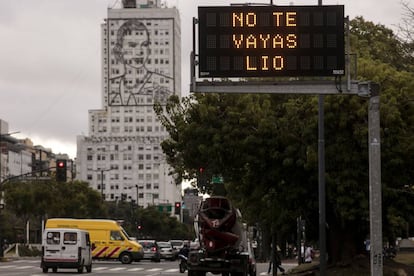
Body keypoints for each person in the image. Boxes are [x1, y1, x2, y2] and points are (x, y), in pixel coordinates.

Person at [109, 19, 173, 106]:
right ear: (120, 50)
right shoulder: (111, 85)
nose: (140, 51)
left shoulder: (165, 84)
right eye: (132, 45)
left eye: (144, 44)